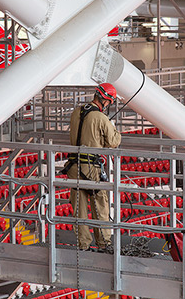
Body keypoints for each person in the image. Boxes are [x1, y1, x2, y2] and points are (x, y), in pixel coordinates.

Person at [63, 83, 121, 251]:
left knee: (79, 208)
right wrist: (114, 129)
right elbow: (113, 142)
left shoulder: (76, 112)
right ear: (106, 100)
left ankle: (84, 245)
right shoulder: (101, 118)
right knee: (100, 205)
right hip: (91, 168)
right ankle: (104, 243)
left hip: (73, 166)